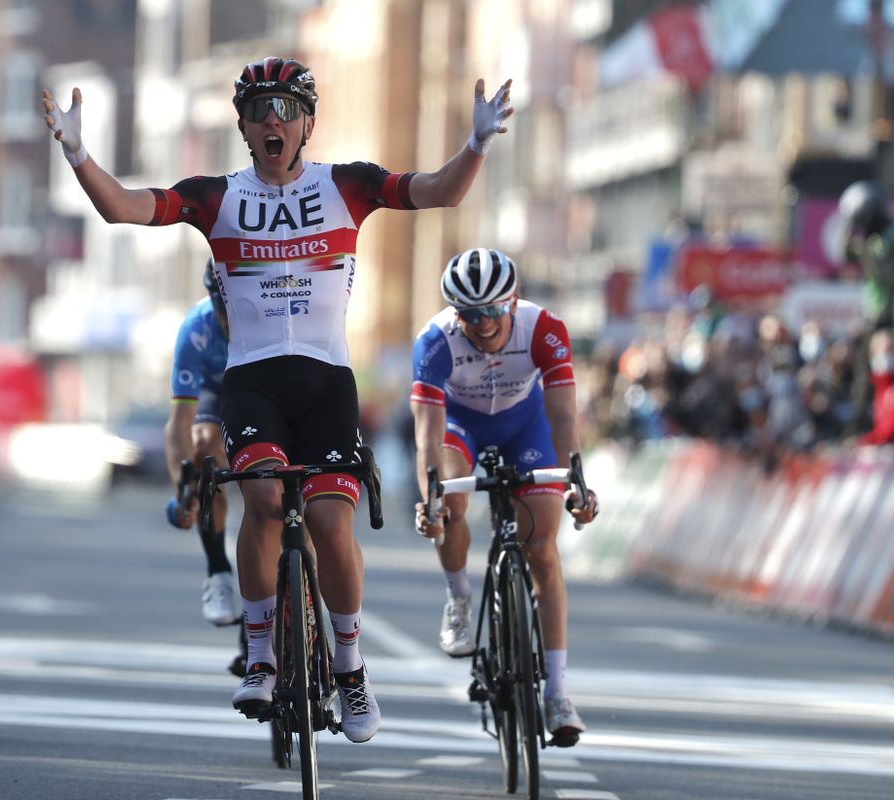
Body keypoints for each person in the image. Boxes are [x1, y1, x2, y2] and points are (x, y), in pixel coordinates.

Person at [43, 56, 513, 744]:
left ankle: (350, 670)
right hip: (254, 380)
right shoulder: (215, 196)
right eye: (261, 109)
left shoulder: (347, 185)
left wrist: (475, 144)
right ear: (241, 125)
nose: (274, 120)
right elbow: (124, 208)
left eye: (287, 109)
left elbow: (438, 192)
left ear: (308, 125)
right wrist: (80, 154)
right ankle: (261, 654)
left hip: (326, 380)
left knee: (329, 525)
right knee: (261, 497)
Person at [410, 247, 597, 746]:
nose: (485, 323)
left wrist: (575, 479)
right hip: (460, 428)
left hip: (526, 426)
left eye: (494, 310)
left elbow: (562, 415)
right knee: (449, 503)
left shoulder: (544, 328)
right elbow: (427, 435)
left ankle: (557, 691)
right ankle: (459, 599)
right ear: (456, 313)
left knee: (542, 547)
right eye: (472, 314)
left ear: (513, 302)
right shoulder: (434, 341)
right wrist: (430, 493)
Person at [164, 257, 239, 626]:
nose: (228, 316)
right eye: (222, 304)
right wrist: (183, 487)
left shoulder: (275, 314)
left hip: (267, 384)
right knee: (204, 446)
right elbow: (179, 422)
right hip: (217, 394)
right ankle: (219, 572)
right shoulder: (197, 328)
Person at [838, 179, 894, 435]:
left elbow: (885, 273)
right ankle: (861, 427)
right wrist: (852, 236)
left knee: (883, 370)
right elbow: (847, 255)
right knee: (866, 374)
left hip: (888, 317)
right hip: (877, 315)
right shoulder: (871, 241)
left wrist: (864, 251)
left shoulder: (887, 240)